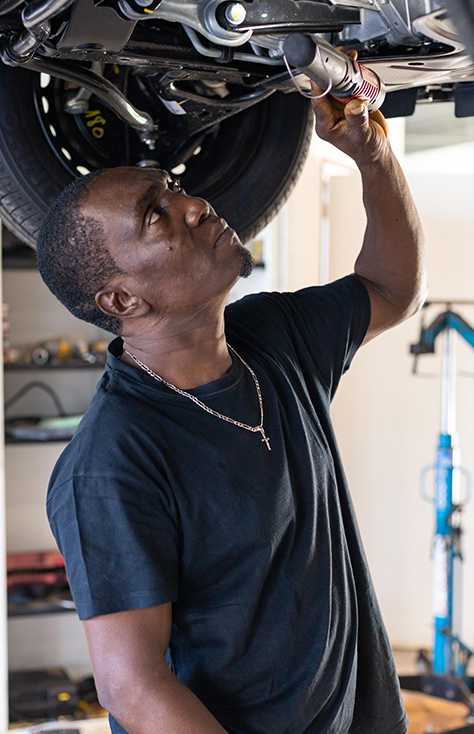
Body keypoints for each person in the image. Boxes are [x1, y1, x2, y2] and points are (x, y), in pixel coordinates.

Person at [38, 79, 426, 734]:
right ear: (122, 303)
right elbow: (131, 685)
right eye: (156, 215)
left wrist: (372, 154)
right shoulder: (109, 464)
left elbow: (390, 288)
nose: (193, 203)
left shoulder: (270, 336)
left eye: (173, 188)